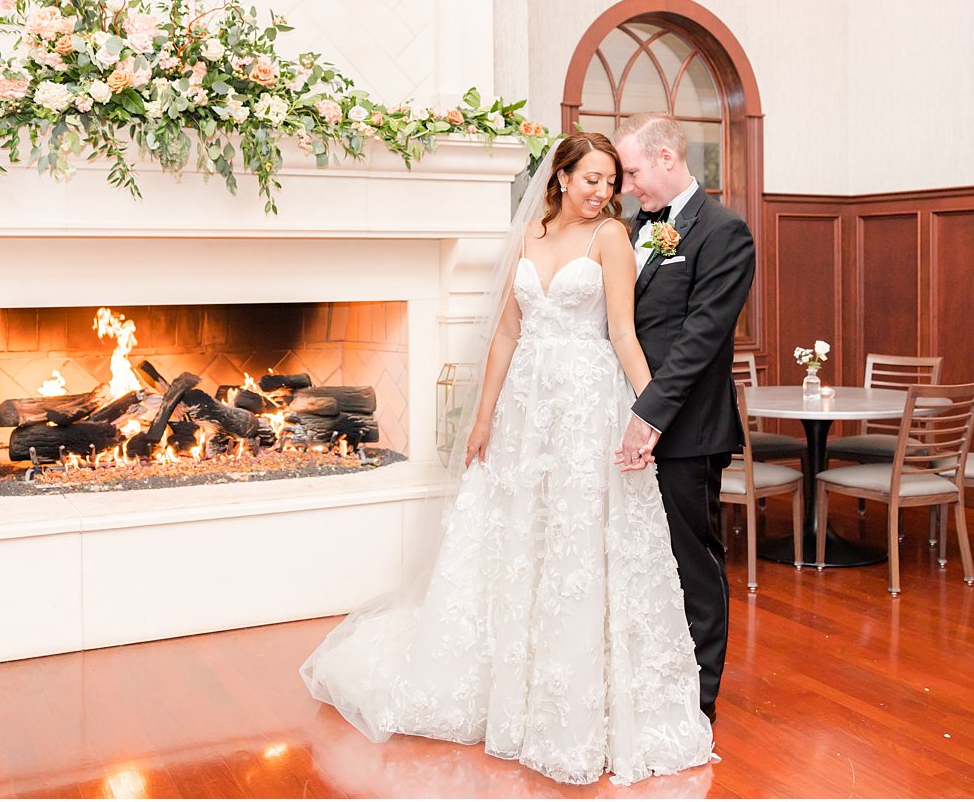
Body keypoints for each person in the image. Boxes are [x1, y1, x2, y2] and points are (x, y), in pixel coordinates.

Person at [301, 132, 713, 786]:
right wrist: (484, 415)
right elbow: (505, 333)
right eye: (591, 179)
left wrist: (649, 412)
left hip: (584, 402)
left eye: (611, 181)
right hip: (525, 406)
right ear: (561, 177)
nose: (603, 191)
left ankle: (568, 702)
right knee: (517, 535)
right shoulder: (528, 235)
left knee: (576, 539)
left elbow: (626, 334)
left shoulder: (608, 237)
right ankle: (505, 689)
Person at [613, 112, 756, 725]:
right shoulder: (632, 229)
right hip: (623, 425)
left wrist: (649, 417)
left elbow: (699, 339)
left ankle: (699, 700)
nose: (627, 186)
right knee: (638, 558)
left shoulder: (724, 232)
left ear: (667, 159)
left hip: (687, 430)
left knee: (690, 560)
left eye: (634, 171)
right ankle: (646, 681)